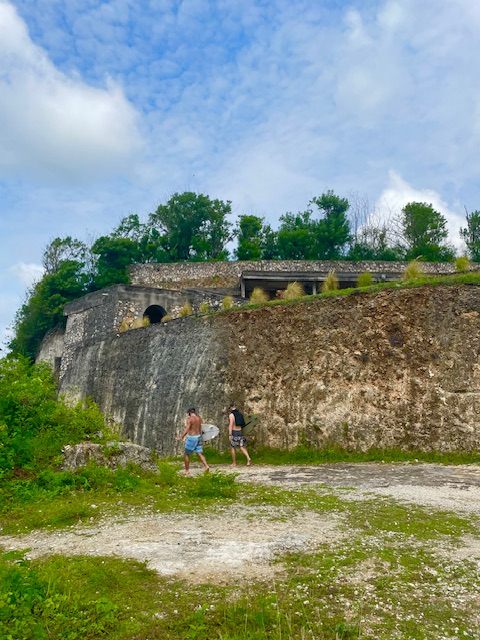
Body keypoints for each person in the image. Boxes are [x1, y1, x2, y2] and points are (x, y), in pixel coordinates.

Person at [177, 407, 210, 475]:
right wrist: (202, 437)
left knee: (186, 454)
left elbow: (187, 429)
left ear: (189, 413)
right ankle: (206, 466)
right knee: (200, 453)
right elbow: (201, 429)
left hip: (192, 438)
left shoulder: (190, 419)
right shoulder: (199, 418)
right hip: (199, 437)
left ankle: (187, 471)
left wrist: (182, 437)